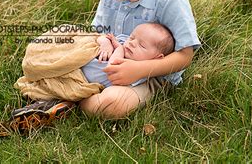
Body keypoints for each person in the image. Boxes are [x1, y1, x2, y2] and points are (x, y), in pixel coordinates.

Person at [10, 23, 174, 122]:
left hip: (78, 79)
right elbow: (100, 36)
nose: (132, 44)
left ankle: (52, 104)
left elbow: (114, 65)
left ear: (156, 58)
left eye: (142, 45)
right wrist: (105, 43)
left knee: (55, 84)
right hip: (78, 56)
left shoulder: (138, 73)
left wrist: (119, 48)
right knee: (62, 35)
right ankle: (53, 99)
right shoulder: (123, 41)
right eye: (132, 37)